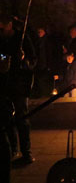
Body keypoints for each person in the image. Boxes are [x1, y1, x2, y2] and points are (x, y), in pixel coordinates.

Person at [0, 14, 37, 164]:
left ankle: (26, 151)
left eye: (2, 27)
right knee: (6, 118)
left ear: (9, 24)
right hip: (4, 83)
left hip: (20, 84)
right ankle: (12, 149)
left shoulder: (22, 39)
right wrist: (2, 58)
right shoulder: (1, 40)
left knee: (22, 118)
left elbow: (33, 60)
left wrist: (24, 60)